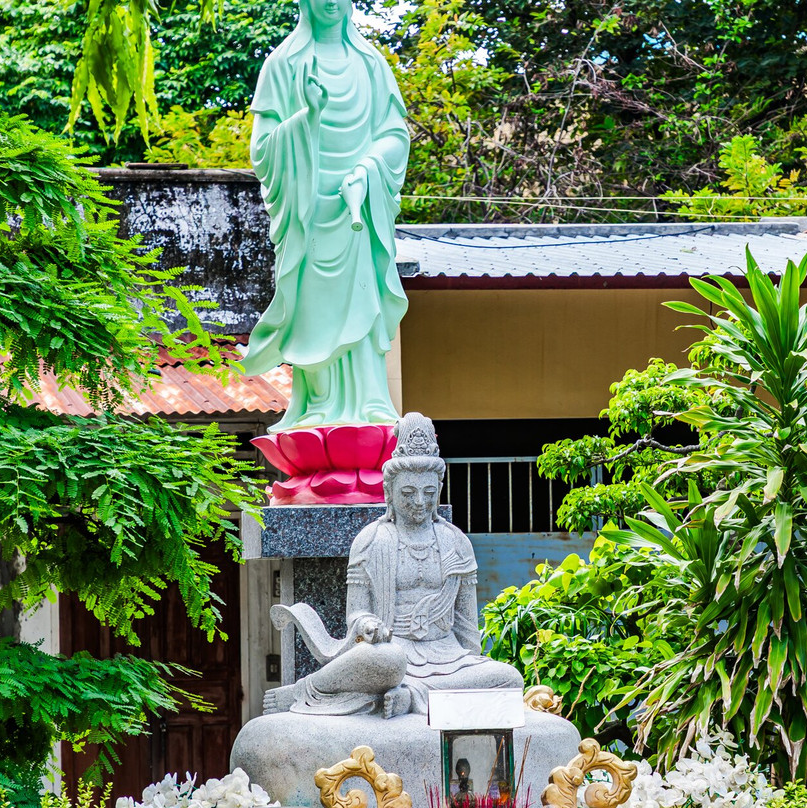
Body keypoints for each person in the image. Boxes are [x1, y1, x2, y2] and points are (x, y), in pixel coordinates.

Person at [266, 413, 524, 717]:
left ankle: (410, 696)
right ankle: (309, 690)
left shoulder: (456, 542)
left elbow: (468, 627)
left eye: (428, 493)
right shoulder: (372, 540)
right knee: (385, 662)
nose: (419, 502)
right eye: (408, 493)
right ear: (389, 492)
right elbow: (356, 615)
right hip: (392, 651)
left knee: (509, 679)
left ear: (438, 490)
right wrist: (366, 625)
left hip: (449, 655)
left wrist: (474, 665)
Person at [241, 0, 409, 431]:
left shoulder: (372, 65)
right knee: (316, 310)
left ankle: (370, 400)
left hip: (359, 206)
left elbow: (394, 136)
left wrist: (366, 171)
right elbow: (261, 150)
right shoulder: (283, 63)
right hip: (309, 211)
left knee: (361, 300)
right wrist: (308, 117)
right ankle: (317, 407)